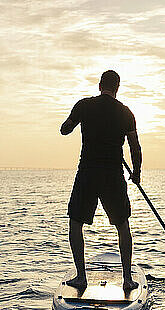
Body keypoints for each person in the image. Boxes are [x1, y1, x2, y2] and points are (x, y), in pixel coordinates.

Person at [60, 70, 142, 292]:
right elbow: (135, 145)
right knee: (122, 224)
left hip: (87, 172)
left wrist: (72, 121)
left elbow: (64, 130)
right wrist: (136, 172)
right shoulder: (126, 113)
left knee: (76, 222)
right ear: (117, 88)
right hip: (113, 174)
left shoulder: (84, 106)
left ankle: (81, 277)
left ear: (99, 86)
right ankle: (127, 279)